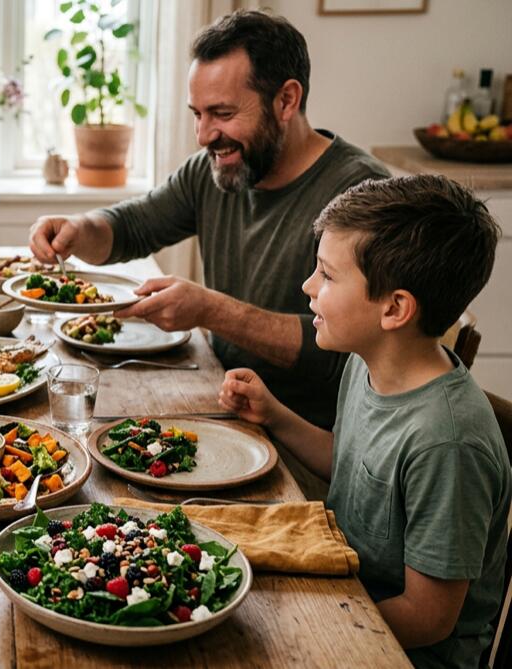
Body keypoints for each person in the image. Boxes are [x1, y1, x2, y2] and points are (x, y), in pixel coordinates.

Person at [29, 10, 390, 429]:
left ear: (286, 100)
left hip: (305, 441)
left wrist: (211, 311)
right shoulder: (214, 170)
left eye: (221, 113)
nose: (203, 136)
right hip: (225, 401)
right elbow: (132, 226)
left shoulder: (362, 195)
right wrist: (78, 228)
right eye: (197, 114)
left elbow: (345, 358)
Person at [219, 175, 507, 668]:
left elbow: (428, 616)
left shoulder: (447, 443)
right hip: (341, 589)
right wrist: (275, 416)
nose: (308, 286)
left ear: (394, 309)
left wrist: (304, 624)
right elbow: (352, 465)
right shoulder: (368, 362)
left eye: (327, 276)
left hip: (397, 649)